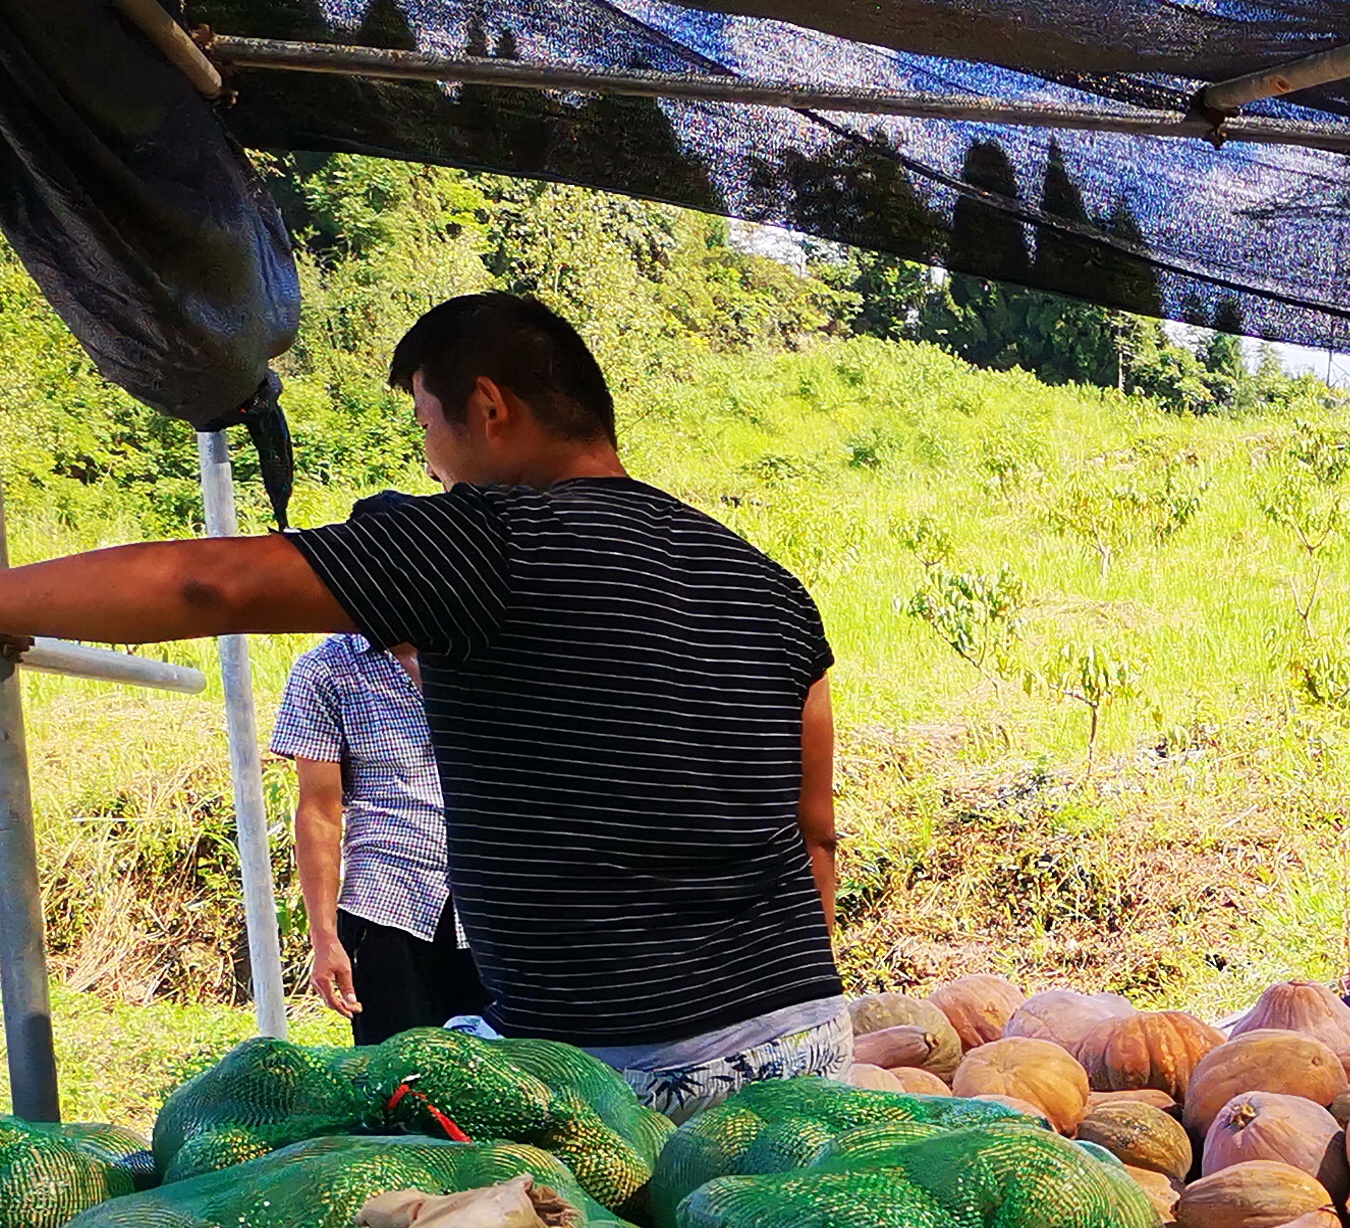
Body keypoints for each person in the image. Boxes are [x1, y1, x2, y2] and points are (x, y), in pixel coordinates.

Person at [0, 292, 848, 1118]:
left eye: (426, 430)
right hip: (806, 1040)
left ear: (487, 408)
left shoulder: (491, 538)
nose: (432, 467)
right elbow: (815, 828)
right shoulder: (768, 585)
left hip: (621, 1071)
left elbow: (211, 582)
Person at [270, 630, 484, 1042]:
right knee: (395, 1081)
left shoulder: (485, 653)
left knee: (511, 1077)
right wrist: (324, 936)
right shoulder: (325, 670)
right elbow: (318, 809)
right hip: (387, 901)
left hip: (495, 901)